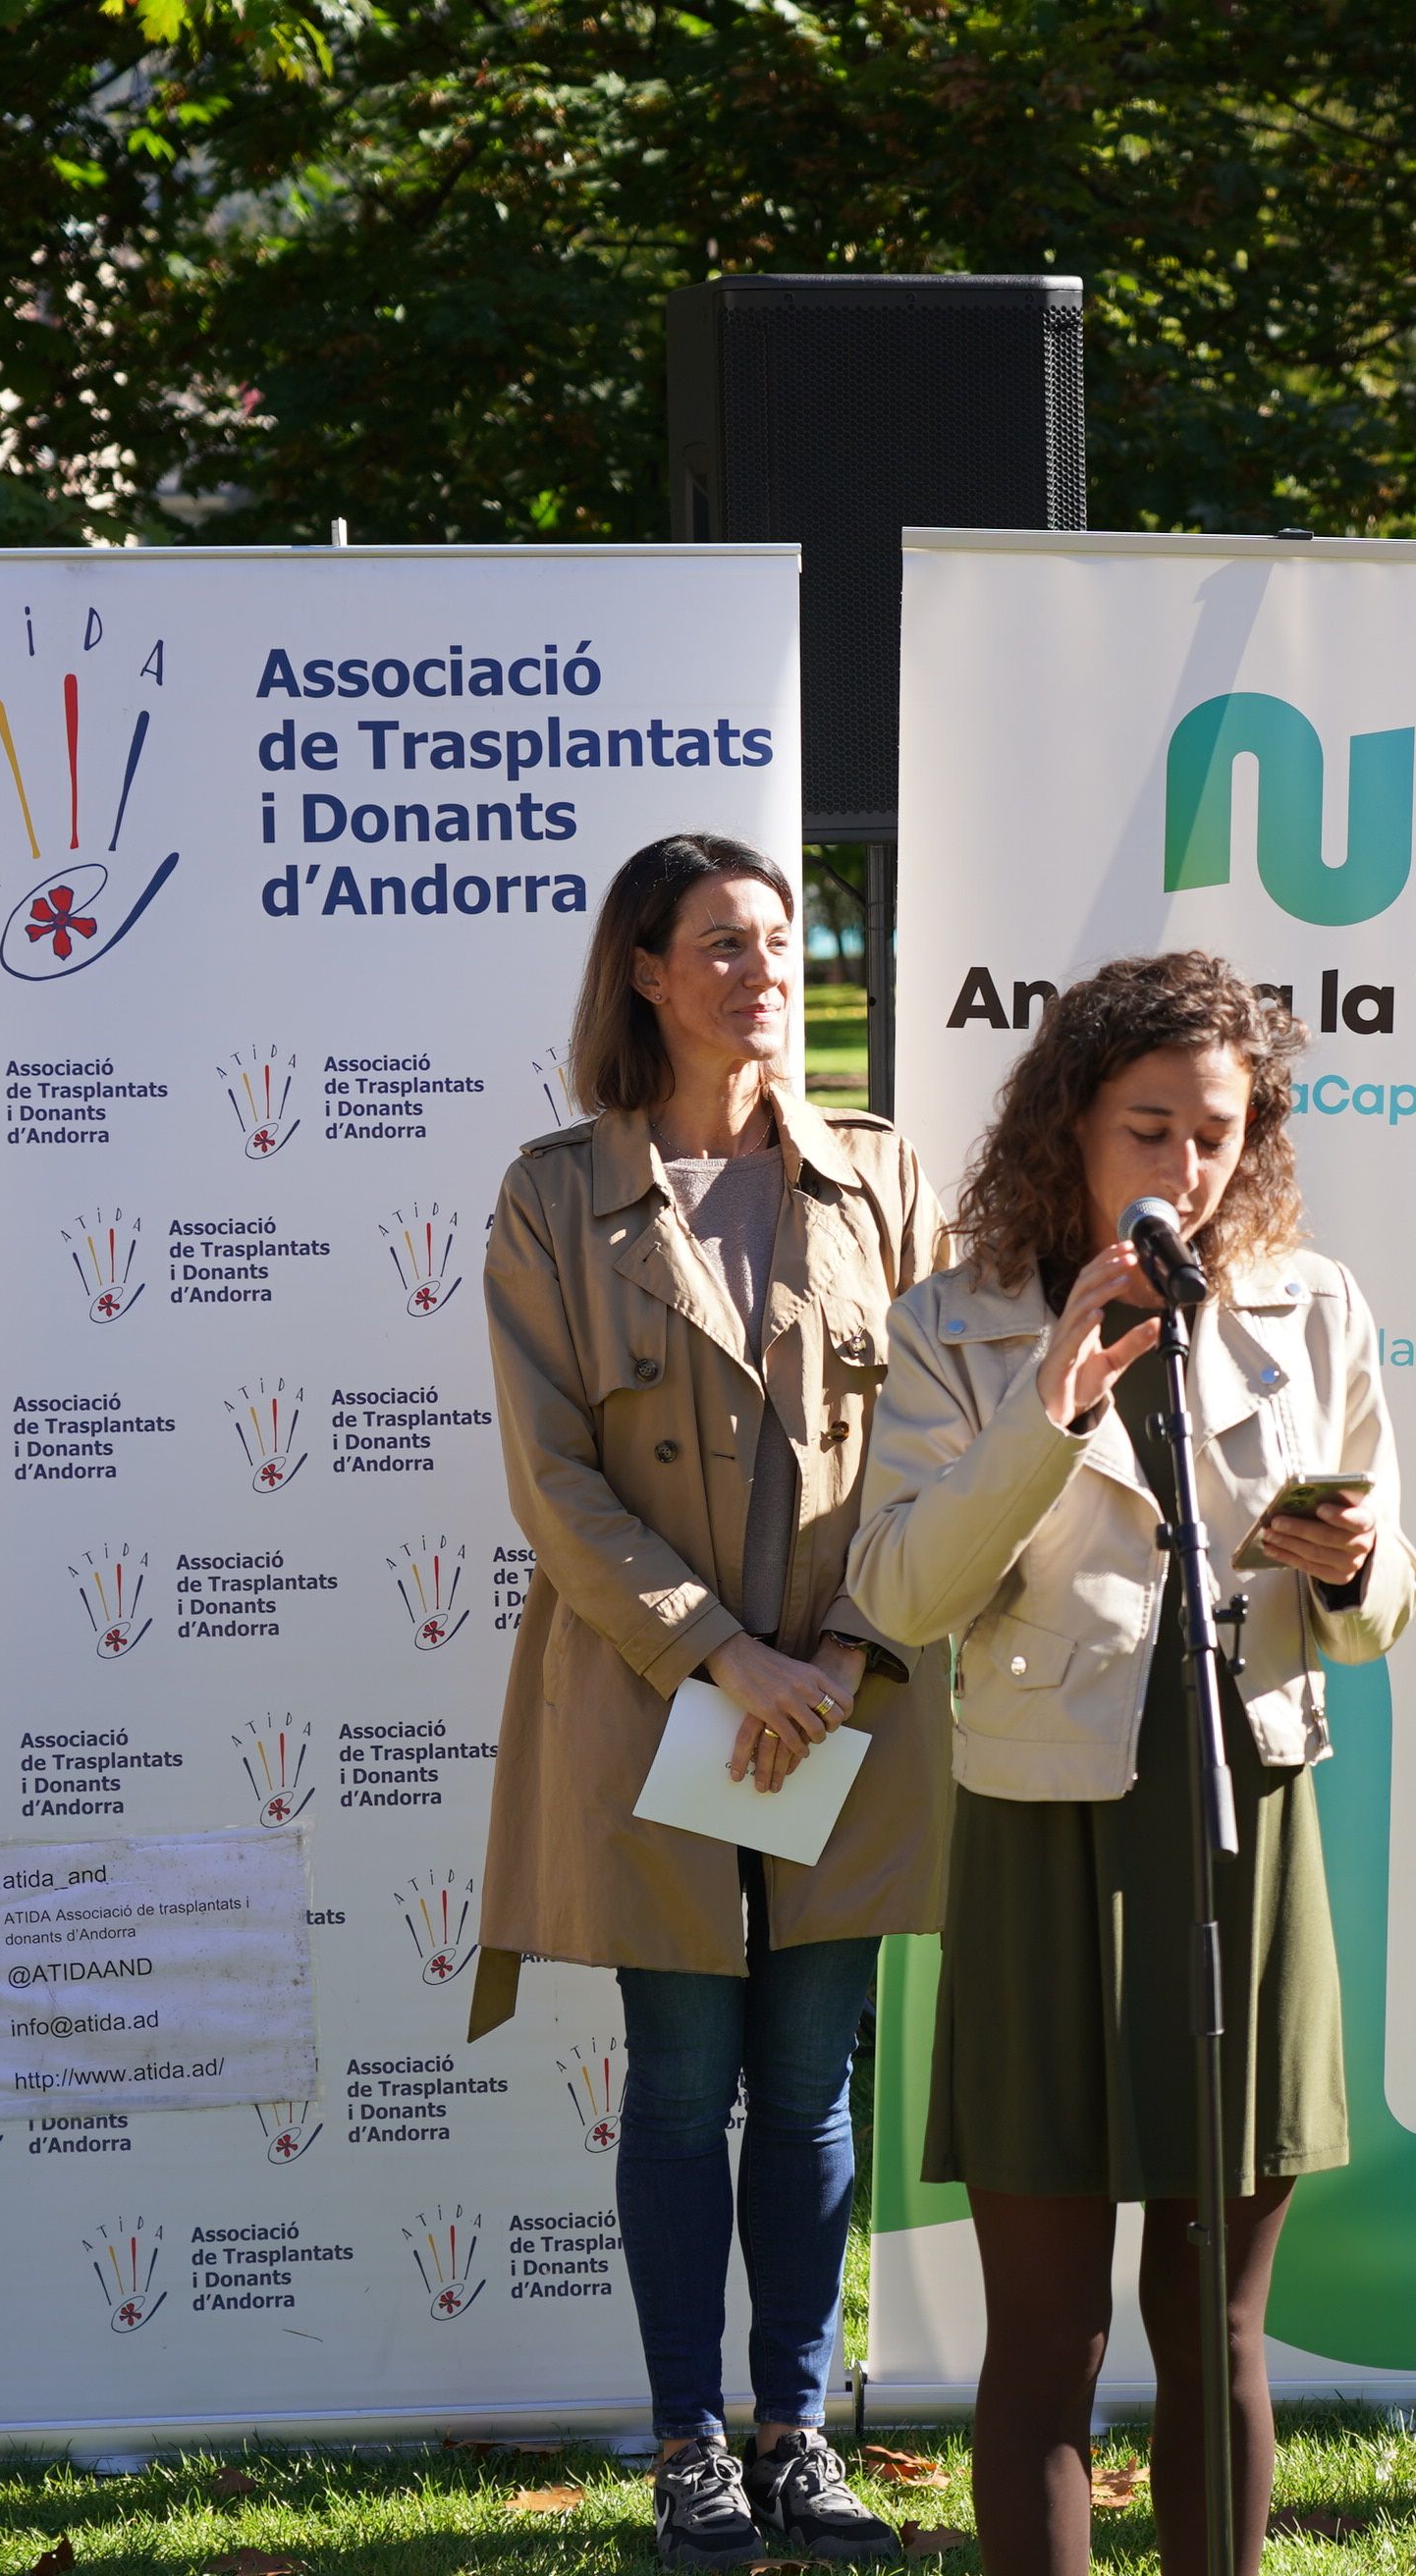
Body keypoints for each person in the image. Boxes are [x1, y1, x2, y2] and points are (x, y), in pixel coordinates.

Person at [846, 951, 1416, 2576]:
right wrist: (1051, 1403)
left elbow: (1384, 1610)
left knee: (1218, 2320)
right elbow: (901, 1595)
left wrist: (1352, 1560)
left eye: (1219, 1135)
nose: (1186, 1170)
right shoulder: (958, 1324)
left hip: (1247, 1812)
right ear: (1070, 1131)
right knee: (1048, 2339)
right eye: (1148, 1129)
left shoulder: (1311, 1305)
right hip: (1044, 1826)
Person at [467, 832, 946, 2570]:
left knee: (813, 2086)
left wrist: (837, 1657)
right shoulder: (551, 1194)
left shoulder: (884, 1177)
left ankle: (797, 2437)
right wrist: (717, 1651)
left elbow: (939, 1444)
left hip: (844, 1699)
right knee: (679, 2085)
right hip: (654, 1696)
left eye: (778, 938)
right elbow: (555, 1481)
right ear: (647, 976)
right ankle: (690, 2448)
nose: (763, 968)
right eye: (721, 945)